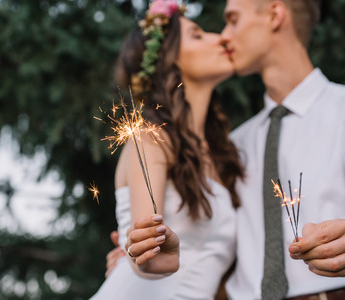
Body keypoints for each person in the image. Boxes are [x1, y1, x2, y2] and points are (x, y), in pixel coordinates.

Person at [123, 0, 345, 299]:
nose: (224, 36)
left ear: (274, 14)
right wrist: (134, 254)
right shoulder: (234, 146)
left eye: (232, 20)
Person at [91, 0, 244, 299]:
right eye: (198, 35)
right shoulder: (151, 139)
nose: (221, 38)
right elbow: (146, 252)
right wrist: (144, 257)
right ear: (169, 60)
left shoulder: (221, 154)